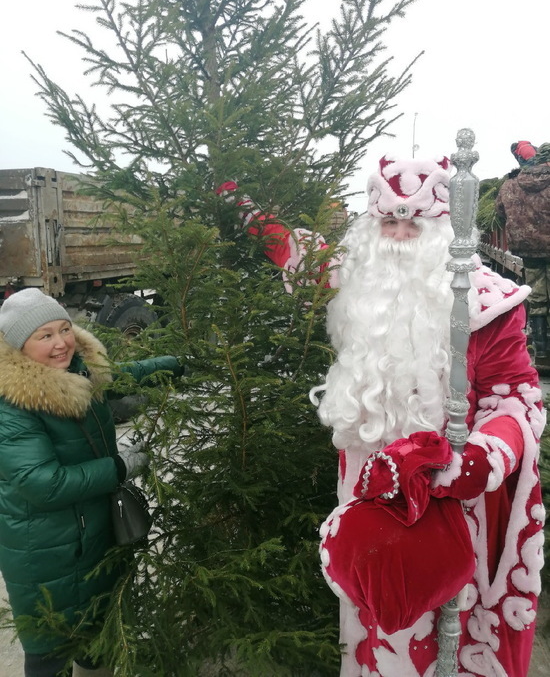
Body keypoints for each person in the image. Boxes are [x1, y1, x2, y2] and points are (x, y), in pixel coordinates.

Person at [217, 154, 545, 676]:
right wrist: (241, 207)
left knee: (445, 631)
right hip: (367, 488)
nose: (396, 235)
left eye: (411, 223)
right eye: (387, 222)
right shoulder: (357, 275)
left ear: (440, 227)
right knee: (374, 620)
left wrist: (482, 457)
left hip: (446, 494)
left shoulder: (488, 301)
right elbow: (293, 250)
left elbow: (517, 397)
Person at [0, 288, 181, 677]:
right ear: (18, 345)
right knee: (52, 650)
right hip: (47, 551)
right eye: (44, 335)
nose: (61, 343)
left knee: (96, 637)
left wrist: (171, 364)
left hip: (90, 534)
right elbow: (42, 484)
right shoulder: (12, 404)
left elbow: (119, 377)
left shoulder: (79, 371)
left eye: (64, 329)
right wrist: (117, 468)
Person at [496, 145, 550, 360]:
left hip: (529, 250)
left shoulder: (509, 185)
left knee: (537, 297)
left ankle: (542, 351)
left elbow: (500, 213)